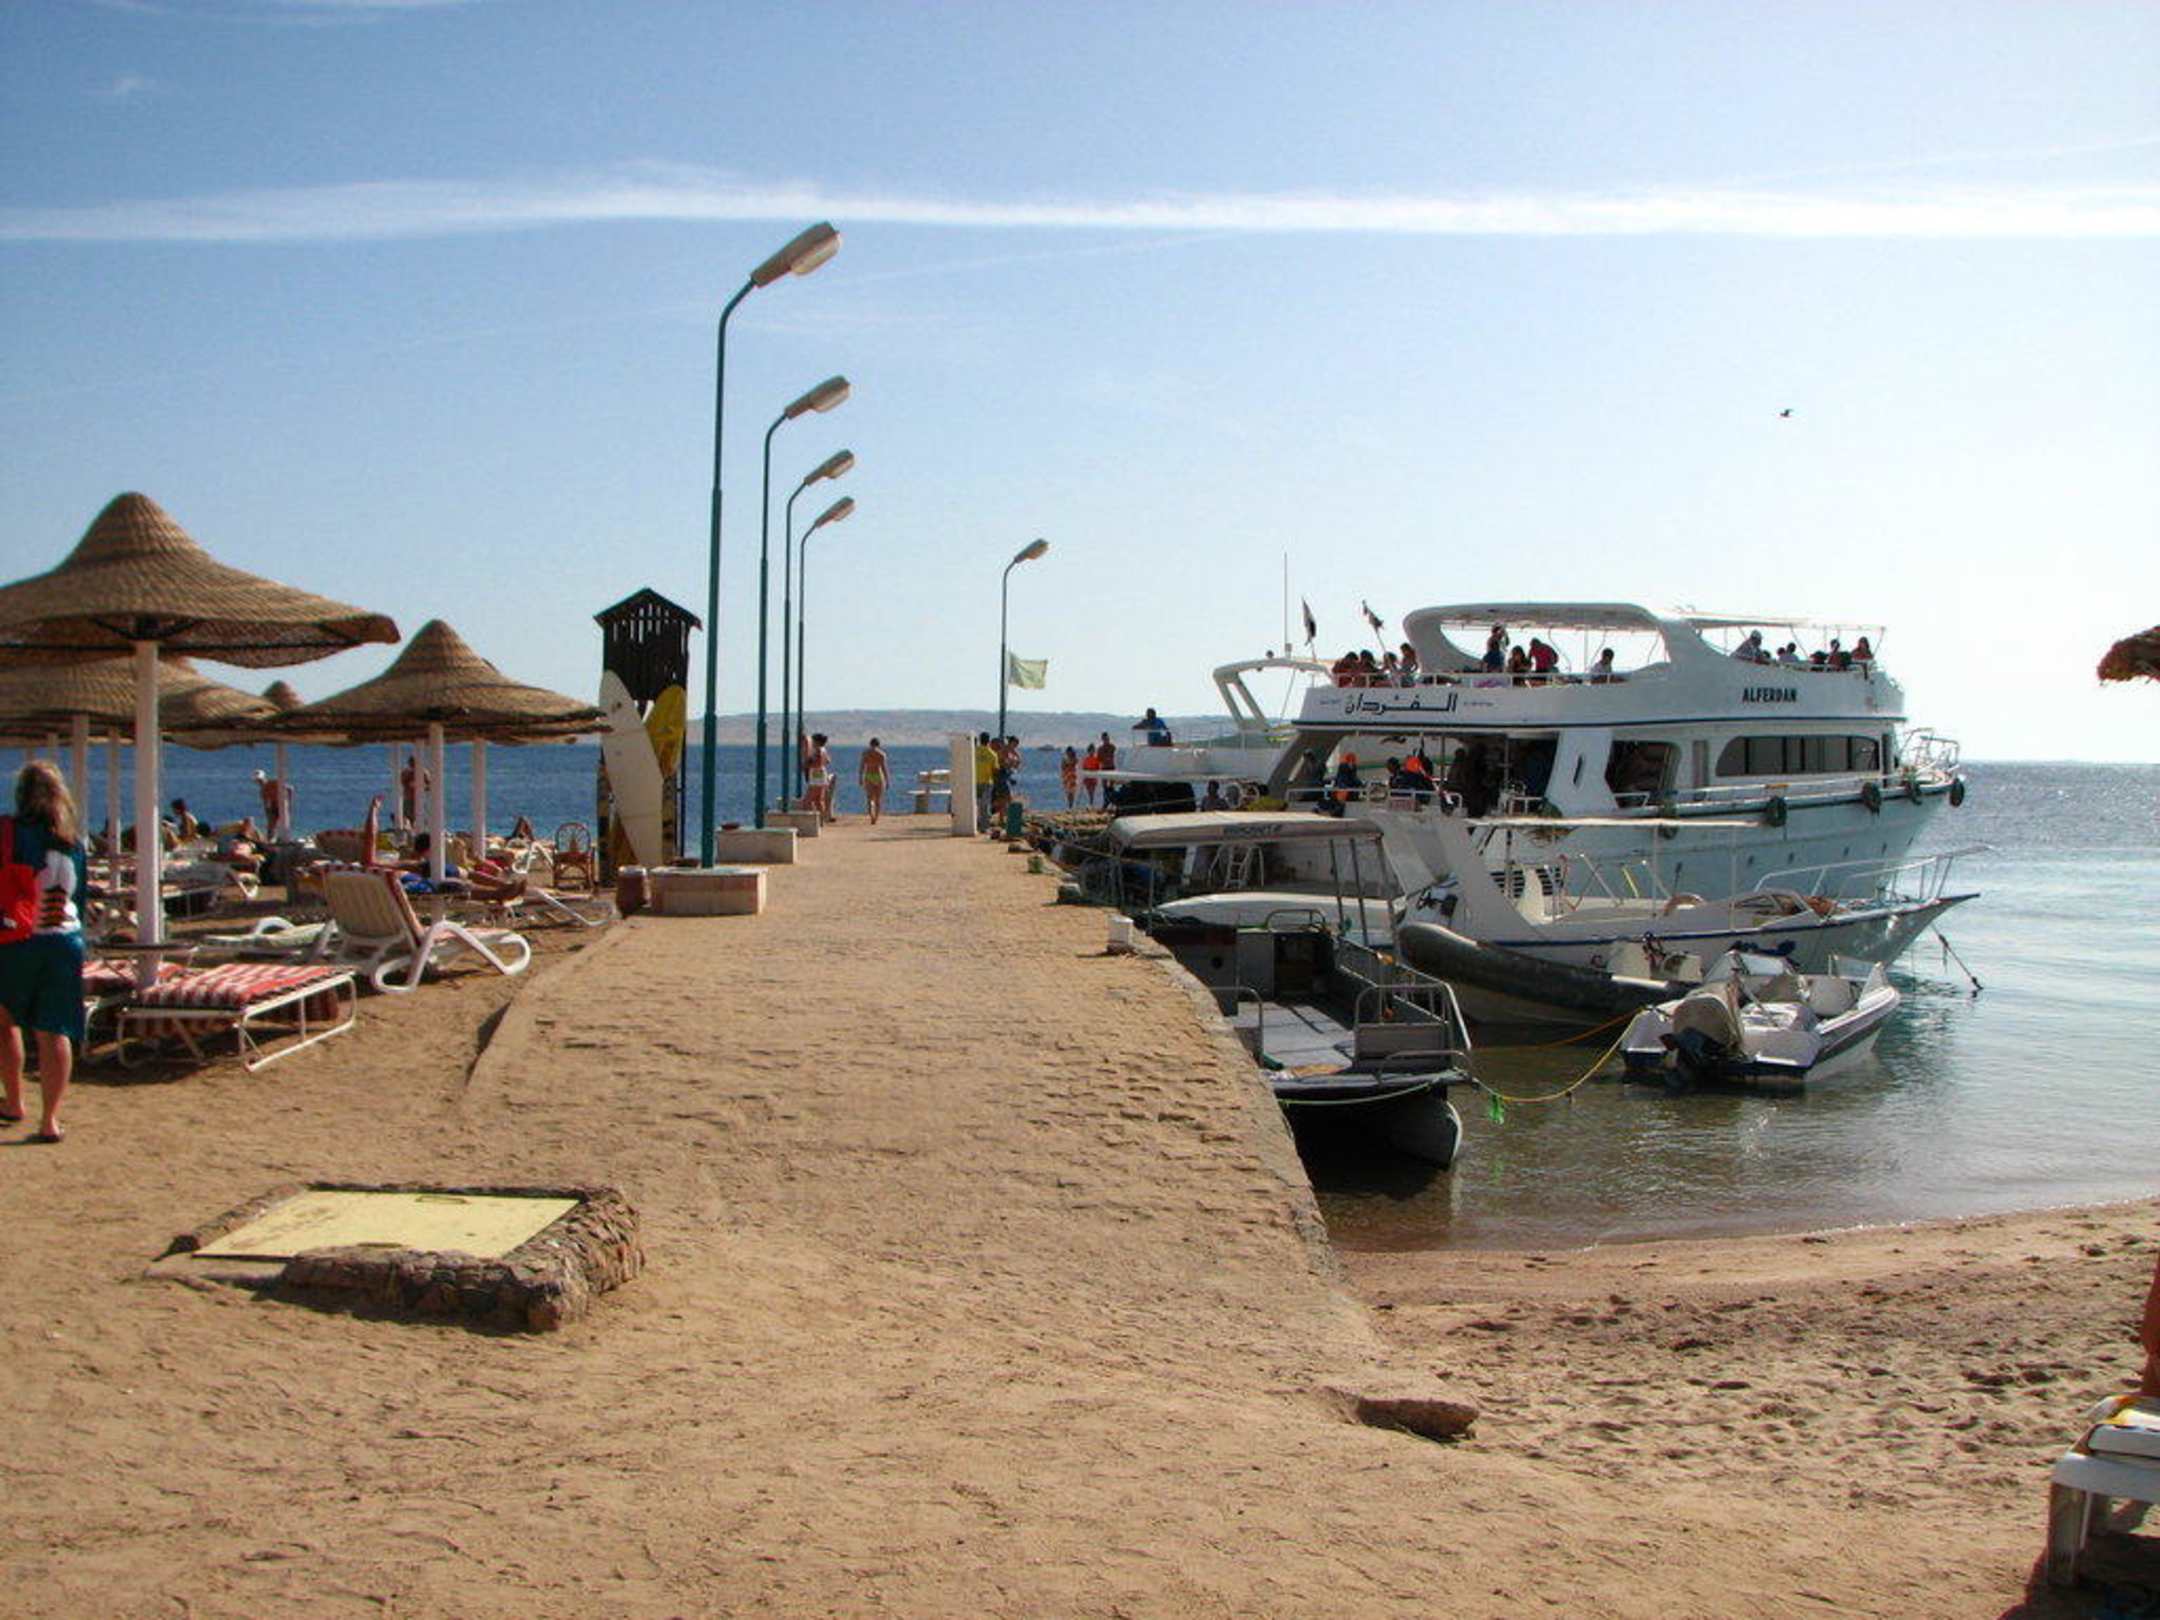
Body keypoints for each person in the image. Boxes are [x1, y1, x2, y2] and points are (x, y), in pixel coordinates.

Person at [1, 762, 86, 1144]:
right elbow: (80, 897)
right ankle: (50, 1119)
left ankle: (14, 1101)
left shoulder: (10, 832)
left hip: (17, 938)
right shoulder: (73, 842)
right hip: (65, 940)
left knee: (5, 1021)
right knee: (55, 1031)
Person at [858, 737, 889, 825]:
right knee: (878, 799)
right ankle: (876, 817)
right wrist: (887, 780)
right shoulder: (881, 754)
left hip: (869, 775)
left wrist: (860, 777)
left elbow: (862, 767)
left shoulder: (865, 753)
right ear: (878, 745)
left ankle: (871, 815)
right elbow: (884, 768)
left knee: (869, 798)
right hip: (878, 775)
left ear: (870, 744)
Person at [806, 733, 835, 823]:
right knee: (819, 800)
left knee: (808, 800)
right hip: (822, 773)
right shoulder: (824, 750)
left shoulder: (817, 750)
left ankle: (812, 820)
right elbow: (828, 761)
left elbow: (816, 762)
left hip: (816, 775)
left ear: (817, 742)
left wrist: (808, 763)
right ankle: (821, 820)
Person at [973, 732, 997, 828]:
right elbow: (995, 769)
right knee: (985, 805)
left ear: (980, 740)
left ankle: (975, 823)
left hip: (975, 781)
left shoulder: (974, 751)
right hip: (987, 782)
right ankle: (984, 826)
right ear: (988, 741)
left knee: (976, 803)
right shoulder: (992, 754)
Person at [1079, 743, 1100, 809]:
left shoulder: (1096, 759)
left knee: (1092, 791)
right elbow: (1084, 768)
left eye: (1093, 750)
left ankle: (1091, 804)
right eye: (1091, 750)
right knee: (1089, 792)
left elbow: (1098, 767)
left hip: (1093, 777)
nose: (1092, 752)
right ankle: (1090, 803)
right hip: (1087, 777)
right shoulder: (1086, 759)